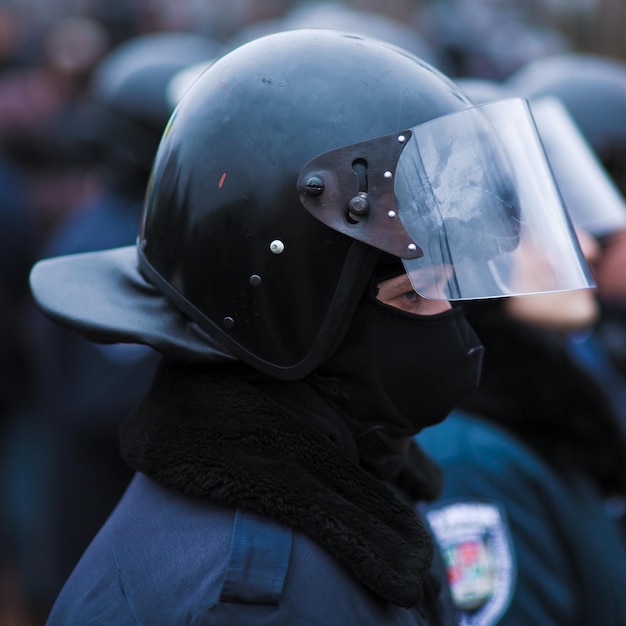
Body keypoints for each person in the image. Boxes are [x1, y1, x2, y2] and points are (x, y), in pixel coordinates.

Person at [29, 29, 592, 625]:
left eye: (448, 289)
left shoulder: (343, 503)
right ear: (287, 309)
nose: (460, 335)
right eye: (415, 293)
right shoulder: (248, 603)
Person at [418, 75, 626, 626]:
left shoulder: (541, 410)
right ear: (456, 247)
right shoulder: (466, 460)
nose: (583, 244)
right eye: (525, 220)